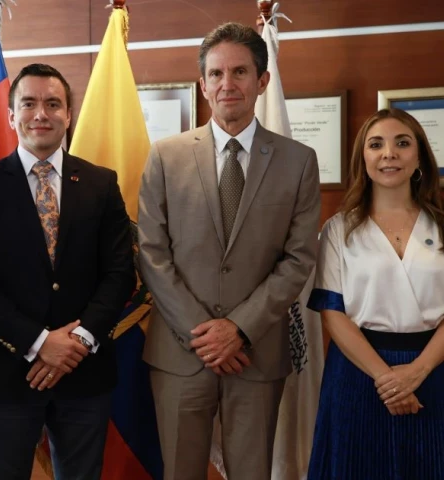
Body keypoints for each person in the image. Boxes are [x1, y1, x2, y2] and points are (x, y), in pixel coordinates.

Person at [137, 22, 321, 480]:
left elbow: (299, 258)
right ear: (202, 84)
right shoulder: (165, 156)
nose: (227, 84)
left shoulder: (298, 161)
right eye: (216, 74)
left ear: (262, 81)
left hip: (255, 354)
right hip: (180, 354)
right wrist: (205, 333)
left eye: (240, 72)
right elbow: (152, 253)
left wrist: (239, 329)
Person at [0, 63, 135, 480]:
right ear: (11, 115)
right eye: (29, 103)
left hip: (84, 369)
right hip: (9, 372)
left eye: (53, 104)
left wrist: (77, 341)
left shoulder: (101, 184)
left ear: (68, 114)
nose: (41, 114)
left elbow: (120, 273)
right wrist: (39, 342)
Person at [307, 108, 444, 479]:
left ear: (419, 157)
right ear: (363, 158)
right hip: (358, 374)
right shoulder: (338, 229)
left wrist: (417, 371)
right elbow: (333, 314)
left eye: (402, 143)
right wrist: (388, 379)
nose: (389, 153)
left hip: (433, 371)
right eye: (376, 144)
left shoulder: (442, 224)